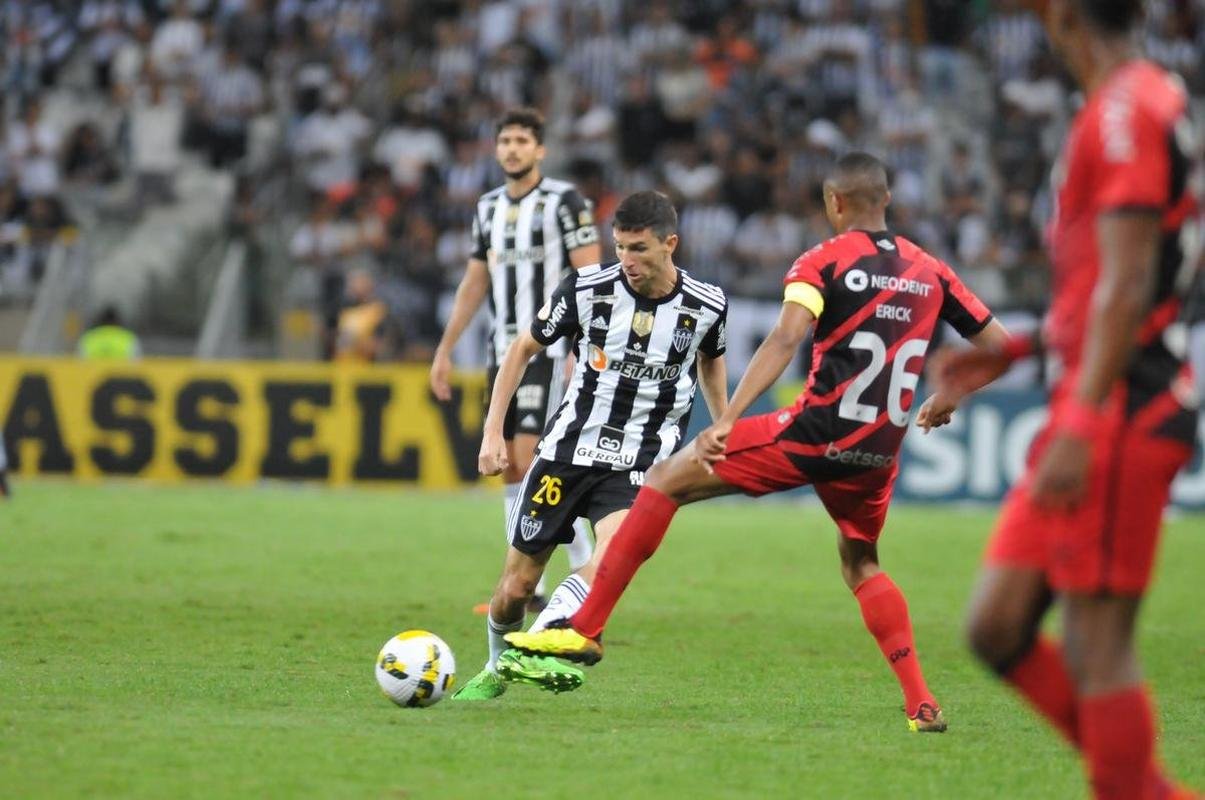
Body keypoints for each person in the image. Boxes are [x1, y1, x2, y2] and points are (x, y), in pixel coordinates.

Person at [507, 153, 1010, 733]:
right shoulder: (931, 270)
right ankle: (921, 703)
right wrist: (949, 395)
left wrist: (729, 418)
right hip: (878, 449)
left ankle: (586, 628)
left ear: (834, 203)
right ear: (887, 201)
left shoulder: (822, 261)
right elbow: (1000, 347)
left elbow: (785, 336)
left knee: (666, 480)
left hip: (813, 432)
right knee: (862, 562)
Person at [930, 2, 1201, 797]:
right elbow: (1105, 285)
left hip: (1120, 405)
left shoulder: (1123, 111)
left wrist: (1081, 419)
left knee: (1095, 644)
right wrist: (1021, 349)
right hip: (1095, 393)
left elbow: (1126, 284)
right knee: (996, 627)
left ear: (1059, 16)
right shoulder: (1134, 99)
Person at [452, 191, 729, 700]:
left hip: (640, 460)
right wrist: (493, 432)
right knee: (513, 589)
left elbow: (711, 359)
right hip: (566, 453)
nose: (627, 260)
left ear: (671, 244)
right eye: (620, 247)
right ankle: (497, 666)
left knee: (611, 557)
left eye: (639, 249)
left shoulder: (706, 304)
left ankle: (538, 643)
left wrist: (723, 424)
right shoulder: (587, 289)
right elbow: (522, 348)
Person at [430, 108, 601, 611]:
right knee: (506, 467)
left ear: (540, 150)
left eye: (522, 140)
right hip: (500, 353)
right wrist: (444, 349)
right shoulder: (486, 207)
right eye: (504, 140)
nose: (511, 148)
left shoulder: (565, 201)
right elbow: (474, 281)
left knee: (531, 460)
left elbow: (589, 275)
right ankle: (530, 588)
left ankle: (579, 573)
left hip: (548, 350)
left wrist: (579, 346)